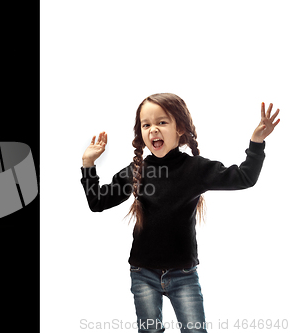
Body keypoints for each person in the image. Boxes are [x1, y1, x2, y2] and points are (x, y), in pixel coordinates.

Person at [80, 93, 280, 332]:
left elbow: (244, 177)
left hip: (184, 274)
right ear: (141, 134)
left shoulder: (195, 169)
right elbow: (97, 202)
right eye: (146, 125)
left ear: (180, 128)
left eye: (161, 122)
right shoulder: (136, 171)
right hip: (143, 274)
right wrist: (88, 165)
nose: (153, 129)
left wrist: (256, 143)